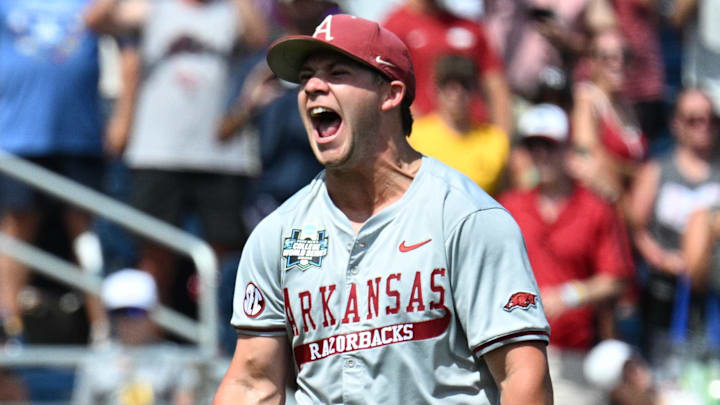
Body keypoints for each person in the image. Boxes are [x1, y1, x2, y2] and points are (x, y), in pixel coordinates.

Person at [214, 14, 552, 405]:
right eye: (306, 76)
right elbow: (252, 383)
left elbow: (521, 375)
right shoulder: (278, 233)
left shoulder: (464, 217)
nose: (312, 88)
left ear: (391, 95)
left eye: (337, 72)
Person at [84, 0, 267, 305]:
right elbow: (95, 20)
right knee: (154, 253)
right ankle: (150, 336)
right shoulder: (151, 8)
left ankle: (221, 332)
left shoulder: (231, 13)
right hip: (157, 151)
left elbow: (259, 37)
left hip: (220, 154)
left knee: (226, 259)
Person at [499, 103, 633, 404]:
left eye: (549, 146)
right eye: (533, 146)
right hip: (517, 351)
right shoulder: (509, 207)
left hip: (576, 355)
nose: (541, 155)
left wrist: (570, 295)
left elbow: (616, 278)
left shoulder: (595, 208)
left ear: (567, 149)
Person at [0, 0, 108, 346]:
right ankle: (7, 329)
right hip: (16, 136)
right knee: (17, 231)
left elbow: (133, 19)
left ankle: (103, 329)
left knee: (85, 233)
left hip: (79, 136)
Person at [627, 88, 720, 365]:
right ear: (676, 124)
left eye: (710, 119)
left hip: (712, 287)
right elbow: (636, 228)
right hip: (665, 289)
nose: (703, 126)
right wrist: (662, 258)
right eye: (694, 120)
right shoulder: (657, 171)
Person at [382, 0, 513, 135]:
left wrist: (502, 139)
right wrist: (422, 134)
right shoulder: (394, 27)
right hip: (423, 139)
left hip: (477, 138)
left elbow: (496, 85)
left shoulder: (471, 28)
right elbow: (388, 86)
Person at [72, 269, 198, 405]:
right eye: (119, 312)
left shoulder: (173, 360)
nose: (127, 320)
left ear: (152, 313)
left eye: (135, 312)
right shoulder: (96, 362)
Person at [408, 54, 510, 195]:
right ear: (435, 88)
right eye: (447, 84)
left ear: (476, 89)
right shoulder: (414, 137)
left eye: (465, 84)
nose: (457, 92)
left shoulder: (495, 140)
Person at [569, 28, 647, 208]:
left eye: (625, 56)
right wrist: (640, 175)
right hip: (602, 205)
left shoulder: (627, 106)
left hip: (629, 202)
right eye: (608, 57)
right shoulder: (587, 100)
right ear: (592, 62)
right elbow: (587, 155)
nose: (618, 63)